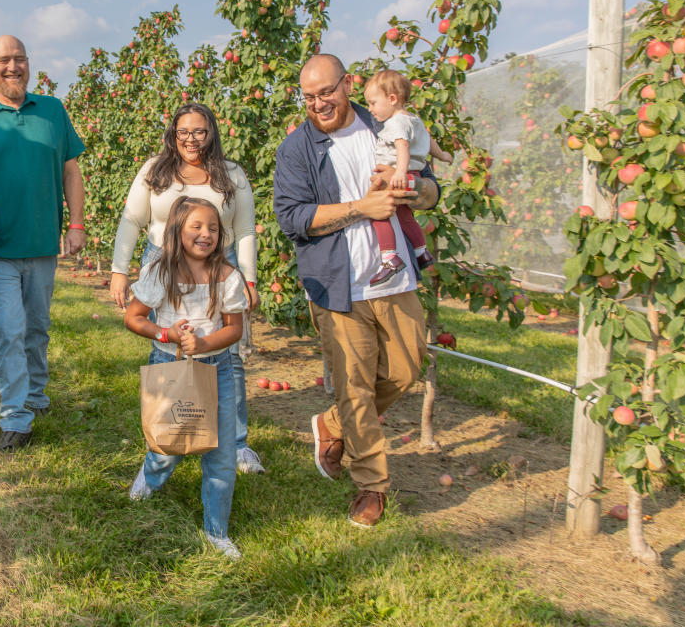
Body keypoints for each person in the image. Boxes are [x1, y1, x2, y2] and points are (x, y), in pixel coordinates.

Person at [272, 54, 440, 528]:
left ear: (348, 84)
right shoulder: (297, 150)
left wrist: (418, 194)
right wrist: (360, 208)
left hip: (395, 275)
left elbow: (429, 187)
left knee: (407, 369)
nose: (318, 103)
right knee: (356, 387)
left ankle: (332, 424)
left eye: (326, 92)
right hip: (338, 283)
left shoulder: (383, 125)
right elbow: (293, 218)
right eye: (308, 96)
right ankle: (372, 485)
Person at [109, 103, 265, 474]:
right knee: (166, 349)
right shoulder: (155, 169)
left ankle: (237, 442)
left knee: (229, 350)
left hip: (217, 265)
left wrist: (249, 278)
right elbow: (132, 219)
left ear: (211, 132)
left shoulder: (231, 174)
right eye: (183, 132)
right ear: (172, 134)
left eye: (199, 131)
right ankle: (167, 435)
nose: (191, 139)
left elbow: (243, 230)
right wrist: (119, 269)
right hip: (163, 262)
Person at [0, 35, 86, 452]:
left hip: (43, 241)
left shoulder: (52, 109)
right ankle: (16, 417)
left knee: (37, 328)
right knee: (9, 330)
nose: (14, 67)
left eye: (20, 59)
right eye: (4, 60)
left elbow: (71, 171)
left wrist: (76, 224)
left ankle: (35, 395)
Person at [124, 196, 249, 559]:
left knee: (222, 454)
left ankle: (217, 531)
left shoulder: (228, 277)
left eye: (212, 228)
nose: (206, 234)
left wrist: (205, 342)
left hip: (218, 369)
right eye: (196, 226)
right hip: (170, 365)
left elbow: (234, 329)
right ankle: (150, 475)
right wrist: (168, 335)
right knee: (170, 443)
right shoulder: (160, 273)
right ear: (178, 230)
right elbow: (134, 318)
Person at [363, 69, 453, 286]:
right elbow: (428, 142)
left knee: (378, 213)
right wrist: (443, 155)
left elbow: (402, 146)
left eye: (373, 103)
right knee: (405, 218)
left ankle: (389, 258)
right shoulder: (414, 119)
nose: (370, 109)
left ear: (392, 99)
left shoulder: (396, 123)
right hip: (413, 172)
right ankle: (422, 252)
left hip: (399, 174)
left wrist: (400, 173)